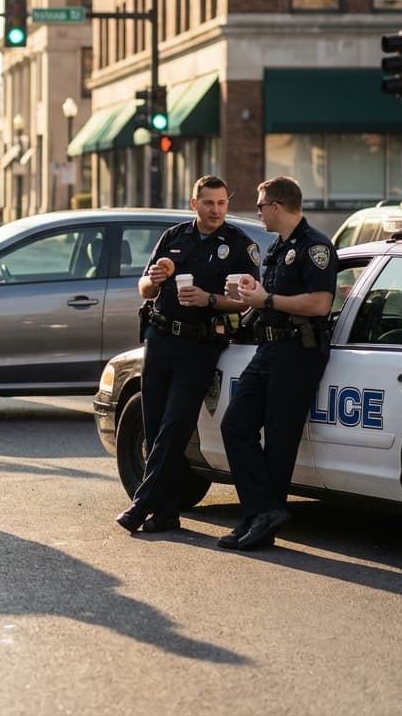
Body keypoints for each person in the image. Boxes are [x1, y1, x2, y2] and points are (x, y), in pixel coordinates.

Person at [116, 175, 258, 534]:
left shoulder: (238, 245)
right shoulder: (174, 237)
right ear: (194, 204)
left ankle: (141, 505)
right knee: (154, 427)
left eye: (222, 203)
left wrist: (208, 299)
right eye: (208, 203)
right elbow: (143, 287)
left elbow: (246, 301)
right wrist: (155, 279)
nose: (216, 210)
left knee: (174, 427)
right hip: (160, 338)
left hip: (199, 345)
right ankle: (166, 513)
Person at [220, 175, 337, 550]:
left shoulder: (315, 247)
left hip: (298, 352)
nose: (257, 213)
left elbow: (320, 303)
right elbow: (266, 298)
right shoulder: (276, 248)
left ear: (276, 206)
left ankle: (260, 522)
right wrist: (248, 294)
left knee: (279, 442)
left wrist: (267, 300)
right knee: (235, 426)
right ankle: (261, 512)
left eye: (260, 206)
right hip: (267, 349)